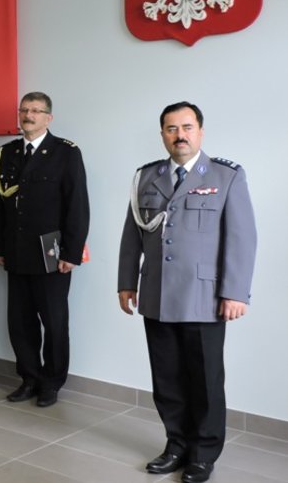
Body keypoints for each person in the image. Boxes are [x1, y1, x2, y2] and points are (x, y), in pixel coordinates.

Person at [118, 102, 256, 483]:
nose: (180, 135)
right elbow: (132, 234)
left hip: (203, 298)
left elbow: (242, 238)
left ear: (200, 131)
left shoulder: (226, 176)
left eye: (187, 127)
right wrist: (127, 282)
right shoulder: (147, 177)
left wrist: (235, 293)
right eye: (171, 128)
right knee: (166, 379)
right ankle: (176, 444)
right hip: (157, 295)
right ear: (162, 134)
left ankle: (203, 453)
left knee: (205, 381)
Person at [0, 92, 89, 408]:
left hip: (51, 254)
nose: (28, 115)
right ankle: (29, 378)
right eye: (24, 109)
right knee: (20, 322)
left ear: (49, 117)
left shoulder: (65, 152)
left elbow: (77, 206)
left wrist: (71, 253)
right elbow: (1, 206)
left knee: (54, 323)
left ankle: (52, 382)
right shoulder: (7, 153)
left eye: (36, 110)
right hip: (17, 252)